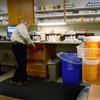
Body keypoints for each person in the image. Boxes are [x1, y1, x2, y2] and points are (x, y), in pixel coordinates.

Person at [11, 19, 35, 85]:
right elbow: (26, 36)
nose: (29, 26)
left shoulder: (19, 26)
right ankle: (16, 80)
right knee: (22, 63)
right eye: (29, 24)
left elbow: (24, 37)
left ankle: (24, 78)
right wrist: (32, 44)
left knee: (23, 63)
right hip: (18, 46)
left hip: (18, 45)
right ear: (27, 22)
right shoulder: (22, 26)